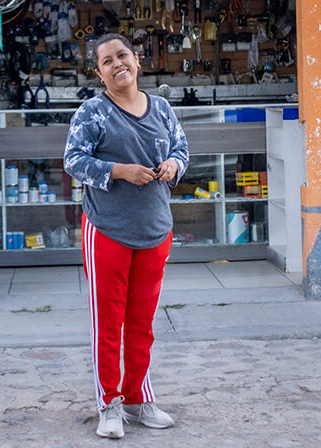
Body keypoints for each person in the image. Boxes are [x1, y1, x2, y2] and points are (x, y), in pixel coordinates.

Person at [64, 33, 188, 439]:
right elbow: (73, 161)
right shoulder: (93, 112)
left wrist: (172, 165)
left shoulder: (164, 109)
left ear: (137, 60)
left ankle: (139, 399)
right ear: (99, 73)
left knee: (142, 322)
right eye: (107, 61)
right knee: (108, 321)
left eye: (122, 56)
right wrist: (120, 170)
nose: (118, 64)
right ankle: (110, 404)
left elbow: (183, 152)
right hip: (108, 231)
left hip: (155, 230)